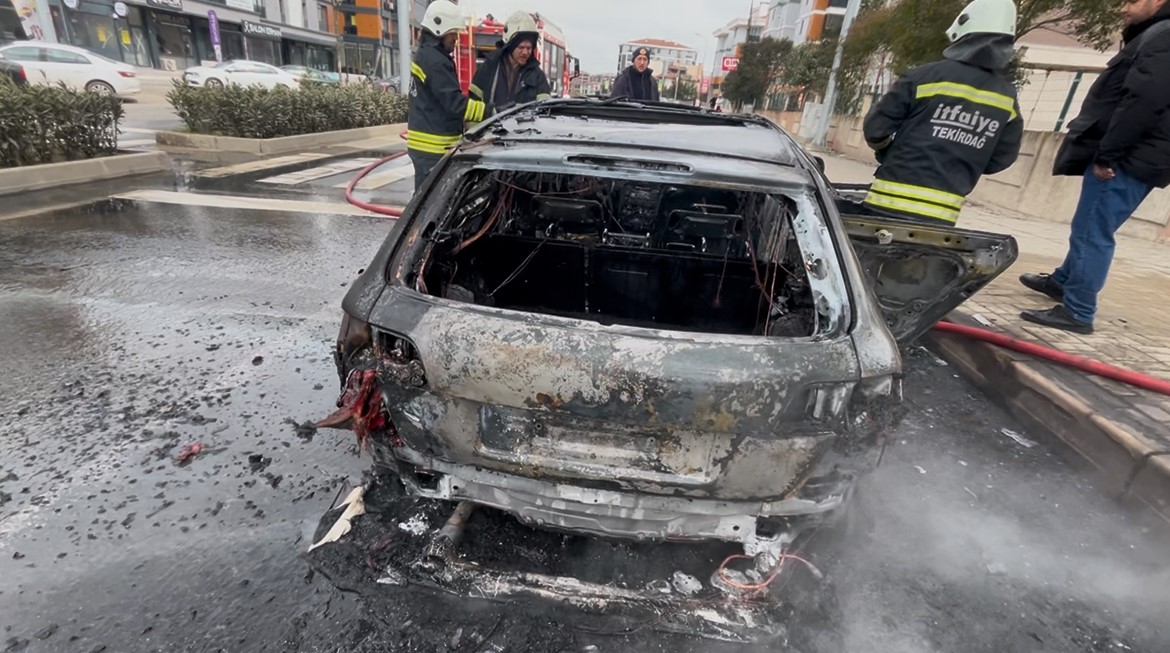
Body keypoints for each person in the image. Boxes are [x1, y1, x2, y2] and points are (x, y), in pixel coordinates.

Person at [1017, 0, 1170, 334]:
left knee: (1092, 232)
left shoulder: (1163, 36)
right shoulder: (1157, 34)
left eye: (1131, 1)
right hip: (1139, 155)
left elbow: (1142, 102)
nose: (1122, 9)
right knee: (1090, 226)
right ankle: (1063, 282)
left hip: (1127, 159)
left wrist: (1108, 155)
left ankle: (1078, 311)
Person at [860, 0, 1023, 226]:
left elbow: (875, 130)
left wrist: (888, 152)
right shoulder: (1007, 98)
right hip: (942, 218)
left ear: (963, 29)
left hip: (887, 204)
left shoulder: (921, 77)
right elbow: (1001, 158)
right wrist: (965, 159)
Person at [406, 0, 486, 193]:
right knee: (429, 206)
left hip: (429, 147)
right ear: (440, 30)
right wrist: (492, 111)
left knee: (429, 201)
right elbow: (455, 104)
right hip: (432, 149)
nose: (456, 39)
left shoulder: (428, 55)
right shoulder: (435, 61)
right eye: (453, 33)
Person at [470, 10, 552, 117]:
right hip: (490, 132)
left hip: (524, 133)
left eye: (529, 48)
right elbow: (473, 104)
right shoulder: (489, 67)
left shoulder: (538, 76)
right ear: (510, 46)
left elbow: (545, 113)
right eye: (521, 47)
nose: (525, 52)